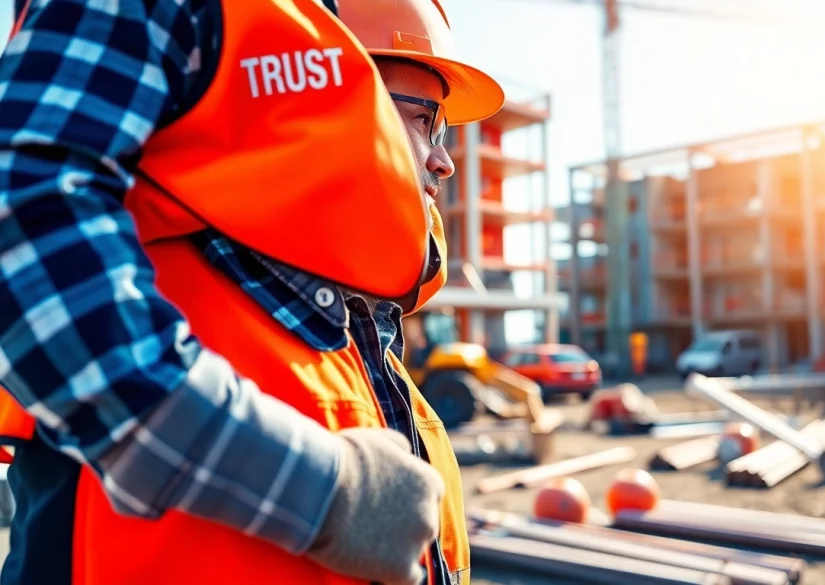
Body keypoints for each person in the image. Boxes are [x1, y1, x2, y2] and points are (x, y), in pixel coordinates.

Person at [0, 1, 502, 584]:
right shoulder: (196, 284)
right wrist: (317, 492)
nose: (445, 161)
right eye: (425, 120)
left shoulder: (343, 333)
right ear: (335, 101)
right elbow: (26, 211)